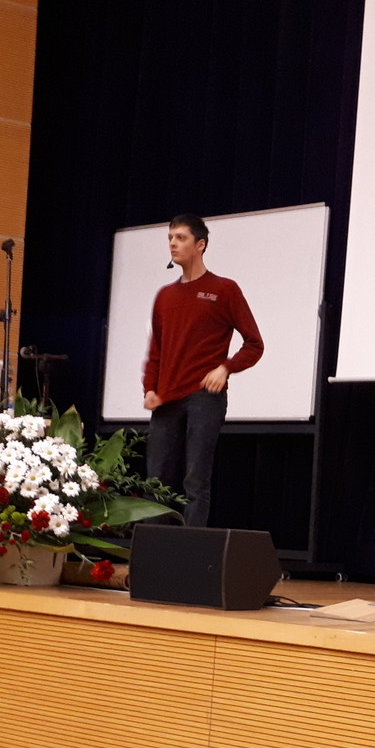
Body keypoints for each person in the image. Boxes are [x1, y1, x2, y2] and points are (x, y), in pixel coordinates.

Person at [143, 214, 264, 527]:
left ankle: (190, 550)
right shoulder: (164, 296)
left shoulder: (224, 290)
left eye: (181, 238)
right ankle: (155, 549)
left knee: (195, 480)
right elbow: (156, 349)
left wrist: (226, 368)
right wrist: (150, 388)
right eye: (170, 238)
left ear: (200, 245)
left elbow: (254, 344)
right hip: (166, 398)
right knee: (156, 481)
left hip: (204, 397)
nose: (173, 244)